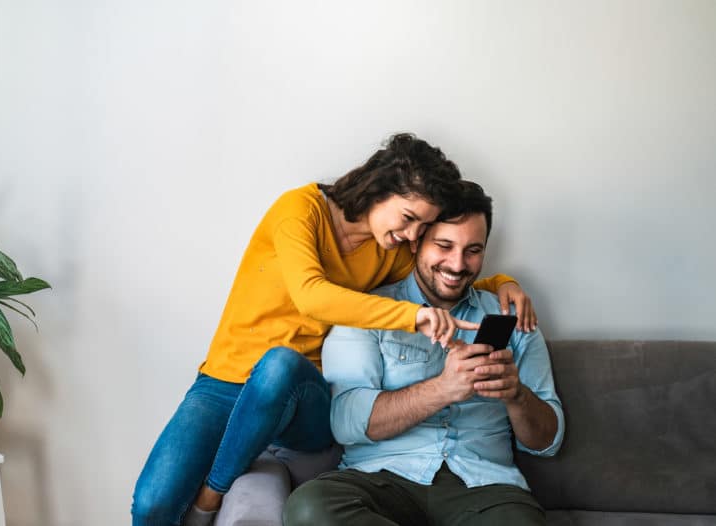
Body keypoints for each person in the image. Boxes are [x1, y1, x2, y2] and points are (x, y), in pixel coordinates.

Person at [131, 134, 538, 526]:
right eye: (410, 218)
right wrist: (411, 317)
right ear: (380, 189)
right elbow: (312, 295)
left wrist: (502, 281)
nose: (411, 236)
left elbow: (444, 275)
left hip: (300, 393)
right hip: (226, 378)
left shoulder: (389, 251)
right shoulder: (301, 210)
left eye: (422, 226)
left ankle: (210, 496)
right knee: (150, 505)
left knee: (279, 367)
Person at [283, 181, 564, 526]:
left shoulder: (514, 317)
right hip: (381, 482)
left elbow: (547, 442)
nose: (457, 264)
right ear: (416, 241)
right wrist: (443, 389)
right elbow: (344, 422)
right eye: (444, 245)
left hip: (486, 491)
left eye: (473, 250)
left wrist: (516, 395)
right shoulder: (368, 312)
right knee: (310, 508)